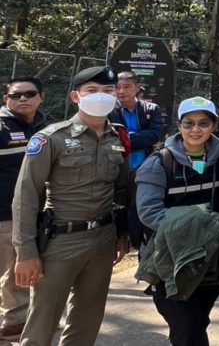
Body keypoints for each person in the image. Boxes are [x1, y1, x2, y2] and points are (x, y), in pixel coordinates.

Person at [13, 66, 132, 346]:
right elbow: (26, 196)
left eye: (108, 90)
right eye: (92, 90)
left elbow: (122, 190)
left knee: (87, 323)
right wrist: (25, 252)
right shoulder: (51, 138)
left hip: (103, 239)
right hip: (60, 241)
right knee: (42, 325)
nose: (101, 95)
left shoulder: (117, 137)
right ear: (76, 97)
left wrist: (122, 234)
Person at [135, 96, 219, 346]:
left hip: (210, 261)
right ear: (179, 126)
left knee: (197, 323)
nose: (196, 130)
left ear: (214, 126)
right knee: (186, 327)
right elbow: (149, 212)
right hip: (169, 261)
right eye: (189, 123)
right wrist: (197, 232)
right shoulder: (159, 163)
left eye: (203, 123)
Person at [0, 78, 47, 339]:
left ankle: (14, 323)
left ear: (41, 97)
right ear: (6, 99)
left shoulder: (44, 128)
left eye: (29, 94)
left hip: (31, 215)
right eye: (15, 95)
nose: (22, 99)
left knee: (19, 270)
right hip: (2, 216)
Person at [110, 71, 168, 171]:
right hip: (116, 166)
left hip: (145, 165)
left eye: (127, 87)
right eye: (117, 87)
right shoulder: (109, 111)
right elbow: (109, 139)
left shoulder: (151, 109)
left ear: (137, 88)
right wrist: (141, 138)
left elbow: (155, 135)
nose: (121, 91)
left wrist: (125, 138)